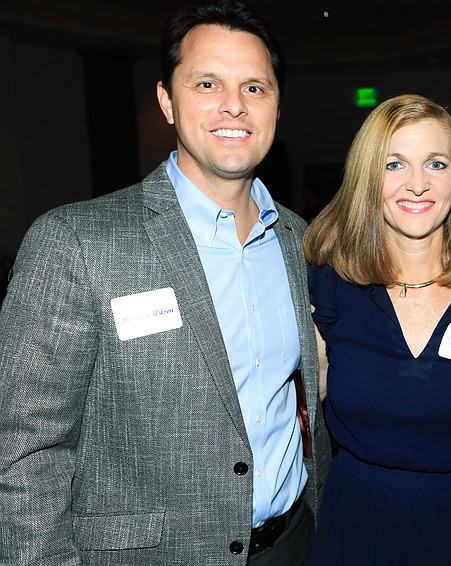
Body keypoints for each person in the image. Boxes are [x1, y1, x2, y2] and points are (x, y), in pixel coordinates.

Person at [0, 1, 330, 564]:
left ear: (276, 104)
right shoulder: (76, 242)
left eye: (255, 88)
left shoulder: (303, 243)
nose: (234, 105)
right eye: (207, 83)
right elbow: (23, 448)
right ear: (166, 101)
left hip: (294, 544)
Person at [302, 94, 451, 565]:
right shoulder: (329, 284)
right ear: (367, 179)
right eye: (394, 164)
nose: (417, 184)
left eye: (436, 163)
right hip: (360, 527)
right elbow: (300, 403)